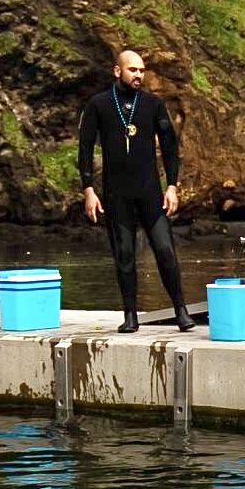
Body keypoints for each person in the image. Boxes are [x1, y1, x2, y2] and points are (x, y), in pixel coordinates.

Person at [78, 48, 193, 333]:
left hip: (150, 191)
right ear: (118, 71)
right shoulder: (99, 104)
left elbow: (169, 147)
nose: (138, 75)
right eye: (133, 70)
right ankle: (130, 315)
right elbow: (85, 146)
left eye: (142, 70)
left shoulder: (152, 104)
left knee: (165, 250)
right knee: (125, 254)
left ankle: (181, 310)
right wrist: (89, 189)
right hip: (117, 194)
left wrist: (173, 187)